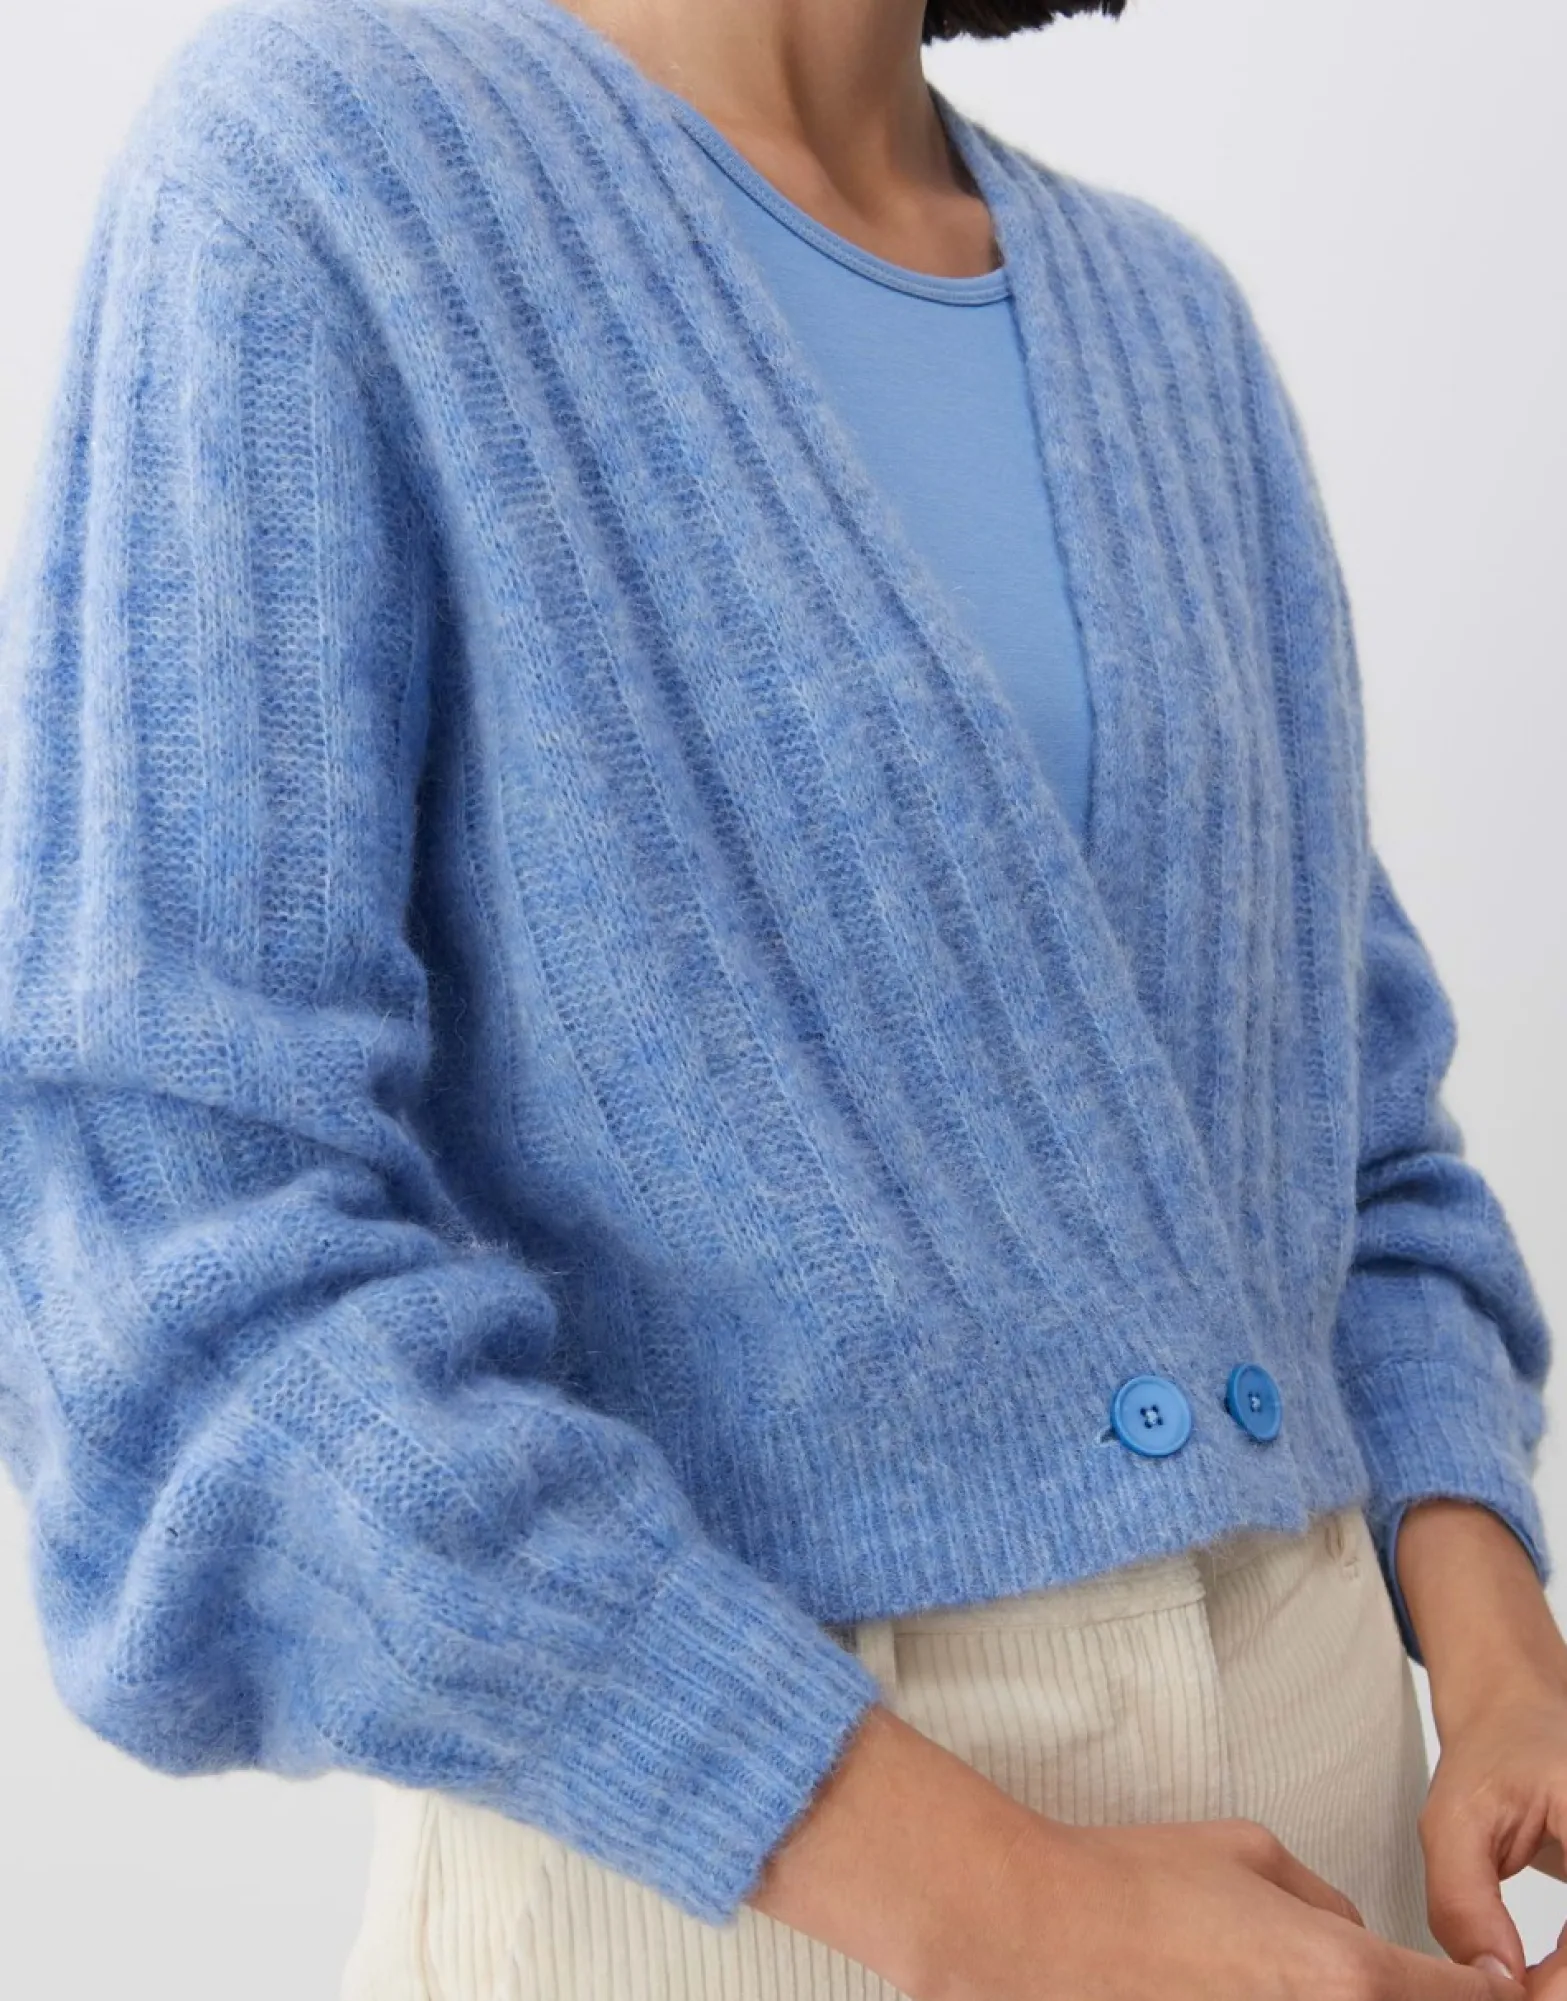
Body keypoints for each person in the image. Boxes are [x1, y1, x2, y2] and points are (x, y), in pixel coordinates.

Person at [0, 0, 1564, 1994]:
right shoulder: (321, 177)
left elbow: (1355, 1148)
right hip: (742, 1881)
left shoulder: (1172, 331)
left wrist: (1500, 1657)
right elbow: (166, 1257)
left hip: (1349, 1825)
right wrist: (1003, 1900)